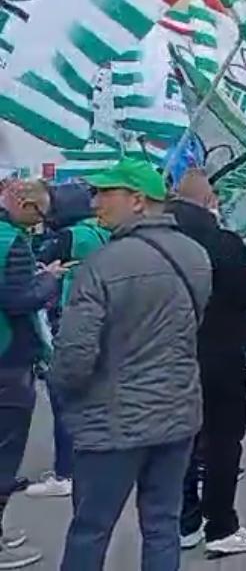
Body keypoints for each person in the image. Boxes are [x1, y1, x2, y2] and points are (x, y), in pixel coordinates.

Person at [52, 160, 211, 571]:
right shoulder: (195, 255)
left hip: (112, 422)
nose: (96, 202)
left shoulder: (102, 265)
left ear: (138, 201)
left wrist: (67, 398)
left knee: (90, 528)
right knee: (162, 524)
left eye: (106, 194)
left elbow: (73, 356)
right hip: (176, 413)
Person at [169, 171, 246, 558]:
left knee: (182, 439)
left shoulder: (158, 241)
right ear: (210, 201)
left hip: (173, 354)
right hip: (221, 352)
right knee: (223, 441)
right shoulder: (223, 242)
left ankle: (185, 521)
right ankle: (221, 524)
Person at [0, 180, 66, 568]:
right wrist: (49, 279)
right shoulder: (12, 241)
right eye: (39, 214)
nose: (39, 224)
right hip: (9, 360)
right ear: (23, 204)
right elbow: (18, 299)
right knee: (5, 453)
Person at [28, 183, 108, 500]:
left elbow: (35, 263)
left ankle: (66, 472)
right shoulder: (101, 232)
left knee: (63, 398)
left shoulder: (69, 237)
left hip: (67, 317)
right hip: (97, 316)